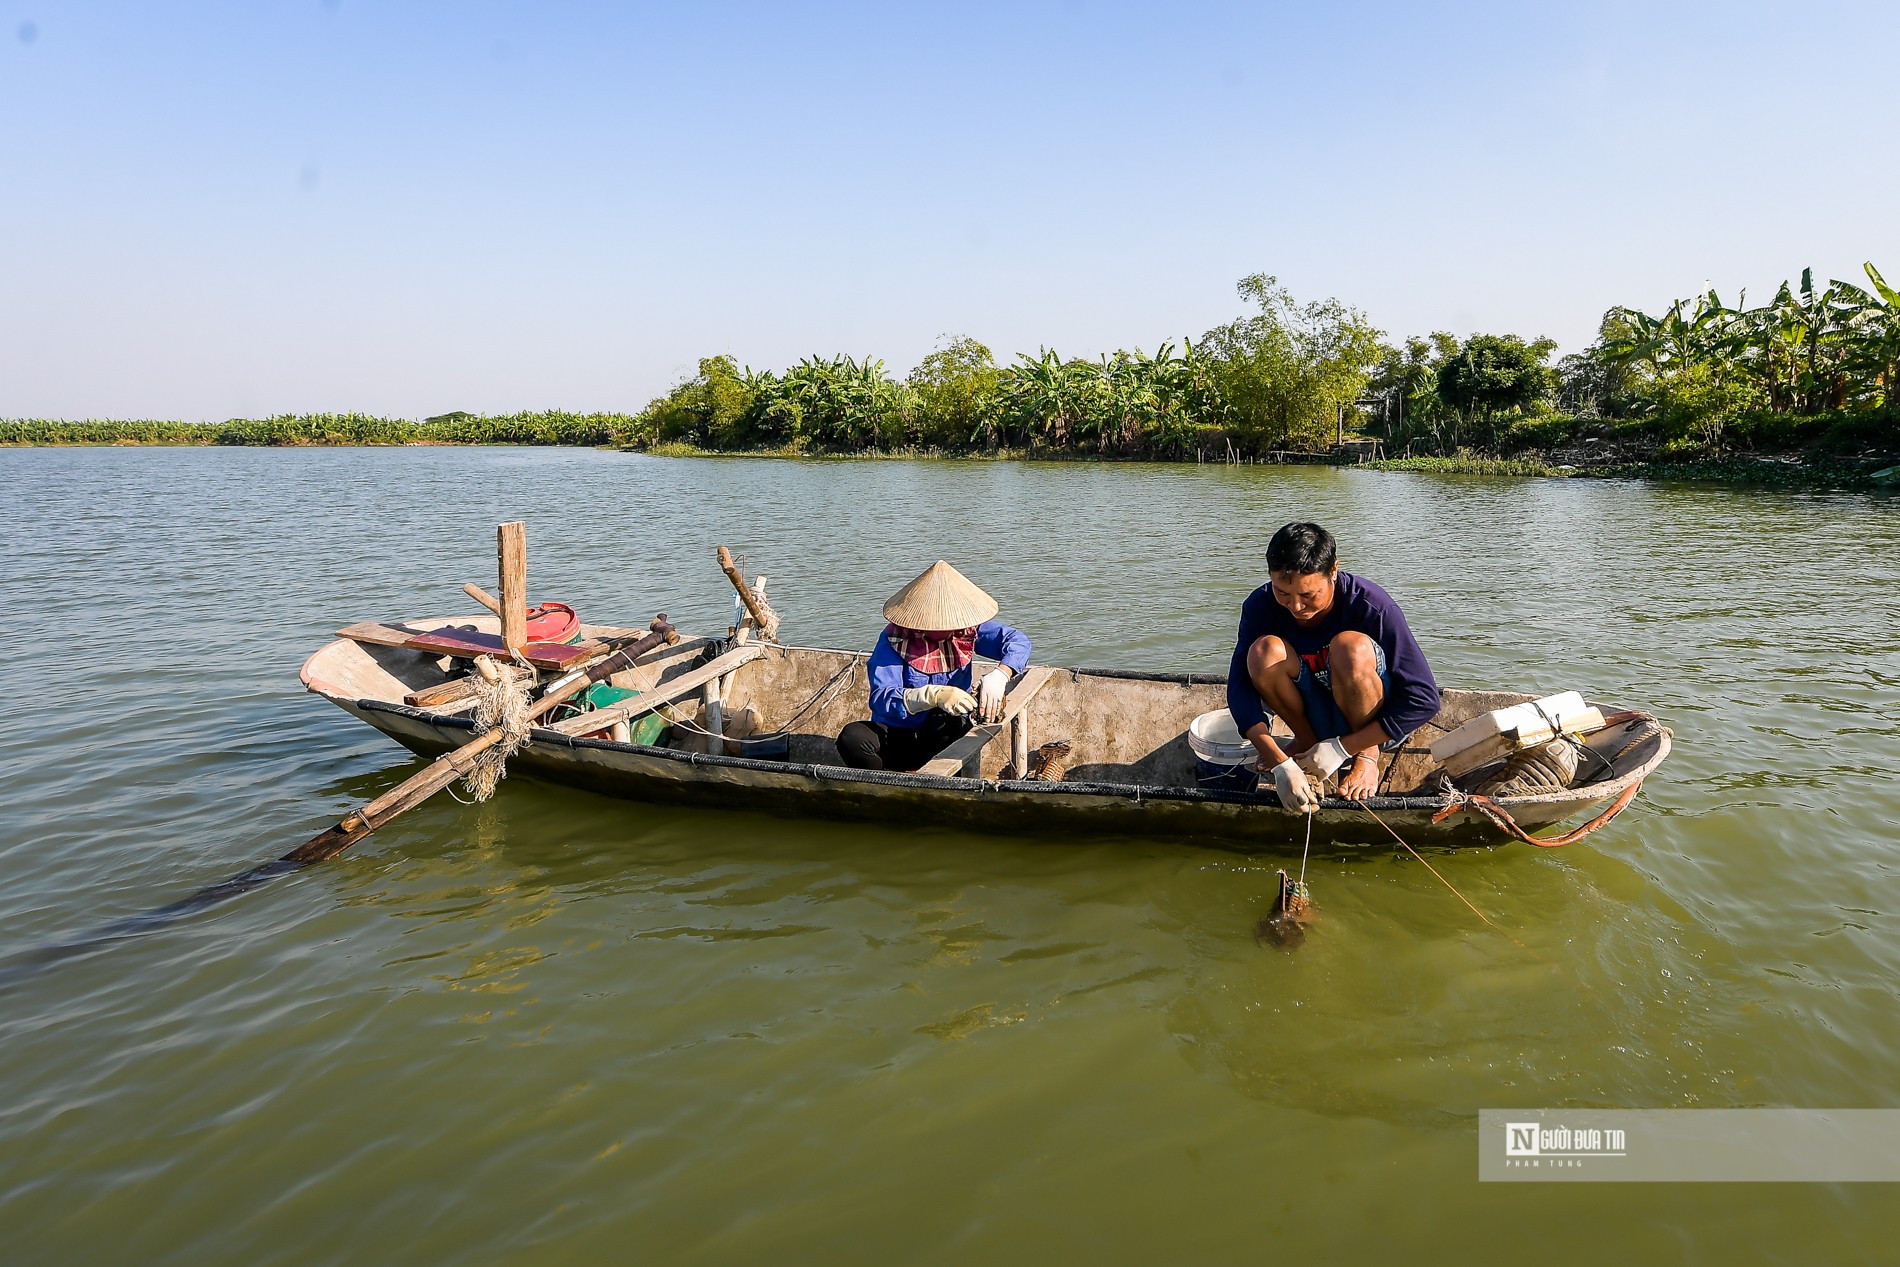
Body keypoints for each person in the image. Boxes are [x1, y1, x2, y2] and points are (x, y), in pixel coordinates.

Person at [1227, 522, 1440, 812]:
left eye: (1308, 595)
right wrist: (1279, 763)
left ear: (1334, 571)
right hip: (1313, 712)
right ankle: (1306, 740)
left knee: (1349, 648)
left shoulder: (1372, 606)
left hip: (1372, 723)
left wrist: (1343, 748)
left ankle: (1367, 756)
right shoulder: (1260, 606)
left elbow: (1424, 698)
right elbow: (1238, 687)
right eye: (1283, 593)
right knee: (1263, 652)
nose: (1296, 607)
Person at [836, 560, 1032, 772]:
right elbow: (881, 698)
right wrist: (930, 696)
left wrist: (1001, 674)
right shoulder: (894, 639)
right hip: (898, 733)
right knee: (852, 738)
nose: (947, 628)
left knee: (946, 720)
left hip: (944, 733)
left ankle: (945, 779)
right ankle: (888, 783)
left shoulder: (967, 630)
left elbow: (1018, 642)